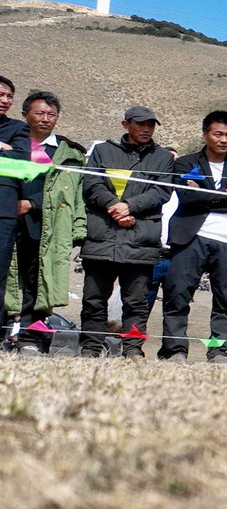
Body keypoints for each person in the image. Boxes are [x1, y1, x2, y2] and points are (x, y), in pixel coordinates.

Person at [158, 111, 227, 362]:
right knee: (177, 295)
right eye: (218, 134)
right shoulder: (184, 163)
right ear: (205, 135)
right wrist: (226, 194)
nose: (224, 139)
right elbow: (186, 197)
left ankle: (217, 351)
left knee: (225, 300)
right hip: (191, 237)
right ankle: (175, 350)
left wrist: (206, 192)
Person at [79, 106, 174, 360]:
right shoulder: (103, 151)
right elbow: (91, 184)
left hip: (140, 239)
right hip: (102, 236)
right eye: (141, 124)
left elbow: (161, 192)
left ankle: (133, 349)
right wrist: (114, 207)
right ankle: (89, 347)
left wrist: (130, 206)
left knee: (136, 302)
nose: (146, 129)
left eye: (151, 125)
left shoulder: (163, 157)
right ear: (125, 125)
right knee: (94, 298)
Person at [6, 92, 85, 355]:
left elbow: (70, 193)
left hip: (48, 226)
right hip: (8, 221)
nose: (45, 119)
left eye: (51, 115)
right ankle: (6, 333)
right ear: (24, 115)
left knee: (38, 280)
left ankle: (31, 337)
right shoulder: (13, 145)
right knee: (7, 278)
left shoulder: (69, 153)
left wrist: (32, 204)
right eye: (39, 113)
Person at [0, 76, 33, 338]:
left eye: (9, 96)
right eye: (1, 94)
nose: (5, 100)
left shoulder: (18, 129)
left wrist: (5, 148)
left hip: (2, 211)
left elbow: (21, 159)